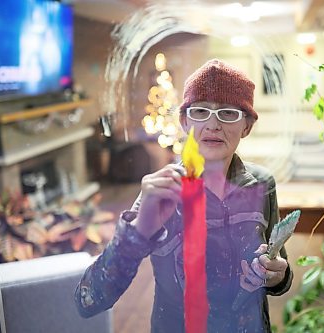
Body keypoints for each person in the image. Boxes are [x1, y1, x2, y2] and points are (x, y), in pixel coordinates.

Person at [75, 59, 293, 332]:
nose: (213, 124)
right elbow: (89, 300)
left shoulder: (261, 184)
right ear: (185, 121)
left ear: (246, 126)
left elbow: (278, 272)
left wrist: (278, 275)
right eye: (201, 111)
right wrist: (140, 228)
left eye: (228, 113)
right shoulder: (163, 191)